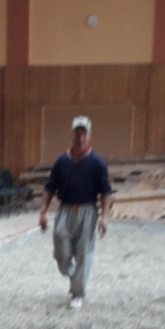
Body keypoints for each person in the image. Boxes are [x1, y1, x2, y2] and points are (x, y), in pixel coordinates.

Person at [39, 116, 112, 309]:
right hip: (65, 209)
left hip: (88, 211)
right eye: (77, 133)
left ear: (89, 136)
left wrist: (104, 217)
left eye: (84, 133)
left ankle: (77, 293)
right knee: (60, 249)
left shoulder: (97, 162)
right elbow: (49, 188)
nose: (80, 137)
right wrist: (43, 212)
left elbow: (105, 192)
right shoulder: (62, 161)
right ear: (71, 134)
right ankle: (71, 272)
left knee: (83, 253)